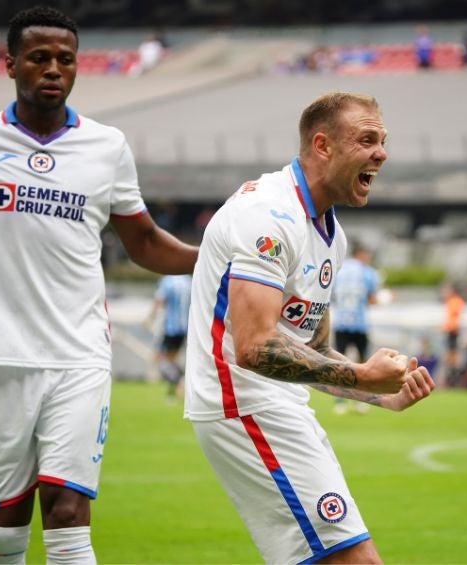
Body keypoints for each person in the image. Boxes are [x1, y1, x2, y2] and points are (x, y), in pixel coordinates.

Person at [0, 6, 198, 563]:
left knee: (67, 515)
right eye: (39, 58)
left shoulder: (106, 146)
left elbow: (147, 242)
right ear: (11, 64)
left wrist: (220, 260)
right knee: (4, 533)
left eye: (66, 59)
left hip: (78, 357)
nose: (54, 69)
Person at [183, 91, 435, 564]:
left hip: (277, 406)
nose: (382, 153)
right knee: (353, 559)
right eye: (367, 140)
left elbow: (312, 350)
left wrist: (381, 395)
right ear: (323, 146)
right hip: (245, 407)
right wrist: (362, 376)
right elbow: (255, 348)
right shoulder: (269, 215)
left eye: (383, 141)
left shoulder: (330, 234)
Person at [330, 241, 380, 414]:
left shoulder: (340, 270)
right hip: (359, 324)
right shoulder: (369, 273)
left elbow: (332, 296)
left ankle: (339, 402)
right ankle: (361, 401)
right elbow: (372, 300)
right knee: (362, 363)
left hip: (341, 322)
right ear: (361, 254)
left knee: (339, 363)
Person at [147, 274, 193, 400]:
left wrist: (150, 319)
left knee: (160, 359)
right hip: (185, 328)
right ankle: (173, 392)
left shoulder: (167, 281)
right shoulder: (188, 281)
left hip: (170, 328)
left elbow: (159, 301)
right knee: (172, 360)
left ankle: (180, 382)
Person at [440, 281, 465, 388]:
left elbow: (454, 316)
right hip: (451, 331)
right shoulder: (450, 301)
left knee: (452, 356)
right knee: (450, 356)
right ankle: (451, 377)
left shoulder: (455, 301)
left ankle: (454, 378)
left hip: (453, 331)